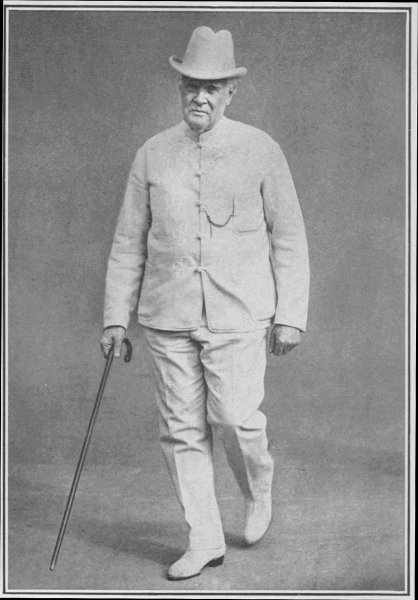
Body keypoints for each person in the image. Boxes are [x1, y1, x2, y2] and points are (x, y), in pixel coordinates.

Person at [100, 26, 309, 581]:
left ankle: (257, 489)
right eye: (191, 85)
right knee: (181, 431)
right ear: (179, 87)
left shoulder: (261, 150)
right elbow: (128, 241)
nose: (200, 97)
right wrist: (115, 318)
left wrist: (291, 315)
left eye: (212, 88)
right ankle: (205, 539)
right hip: (166, 314)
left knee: (235, 419)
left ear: (231, 92)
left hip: (240, 314)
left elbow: (289, 236)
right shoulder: (152, 154)